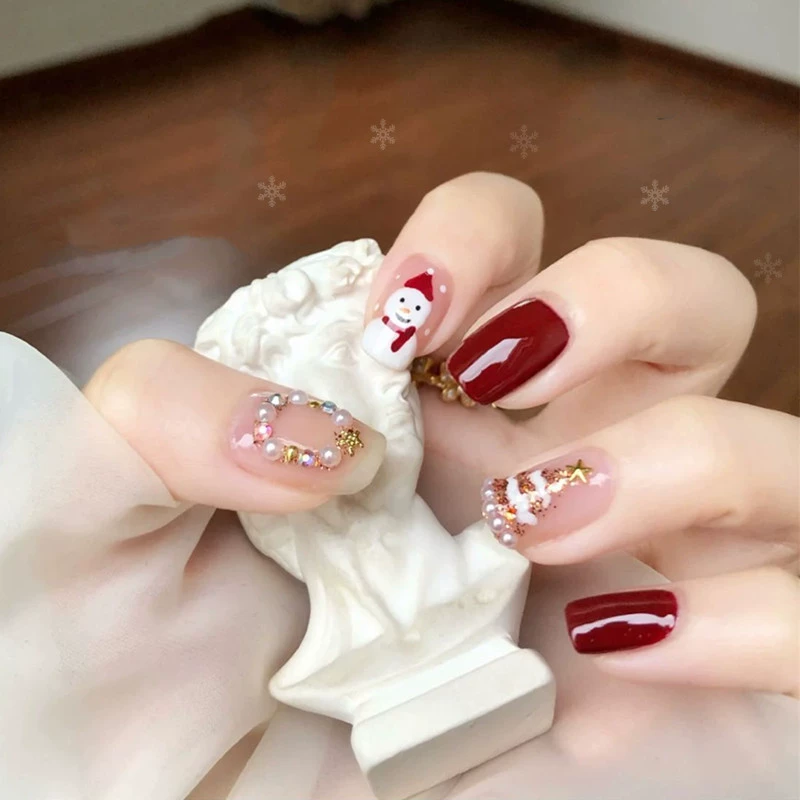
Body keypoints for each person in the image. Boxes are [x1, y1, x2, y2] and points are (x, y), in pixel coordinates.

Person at [1, 173, 796, 798]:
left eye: (357, 385)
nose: (343, 424)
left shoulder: (484, 553)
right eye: (312, 401)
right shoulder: (308, 651)